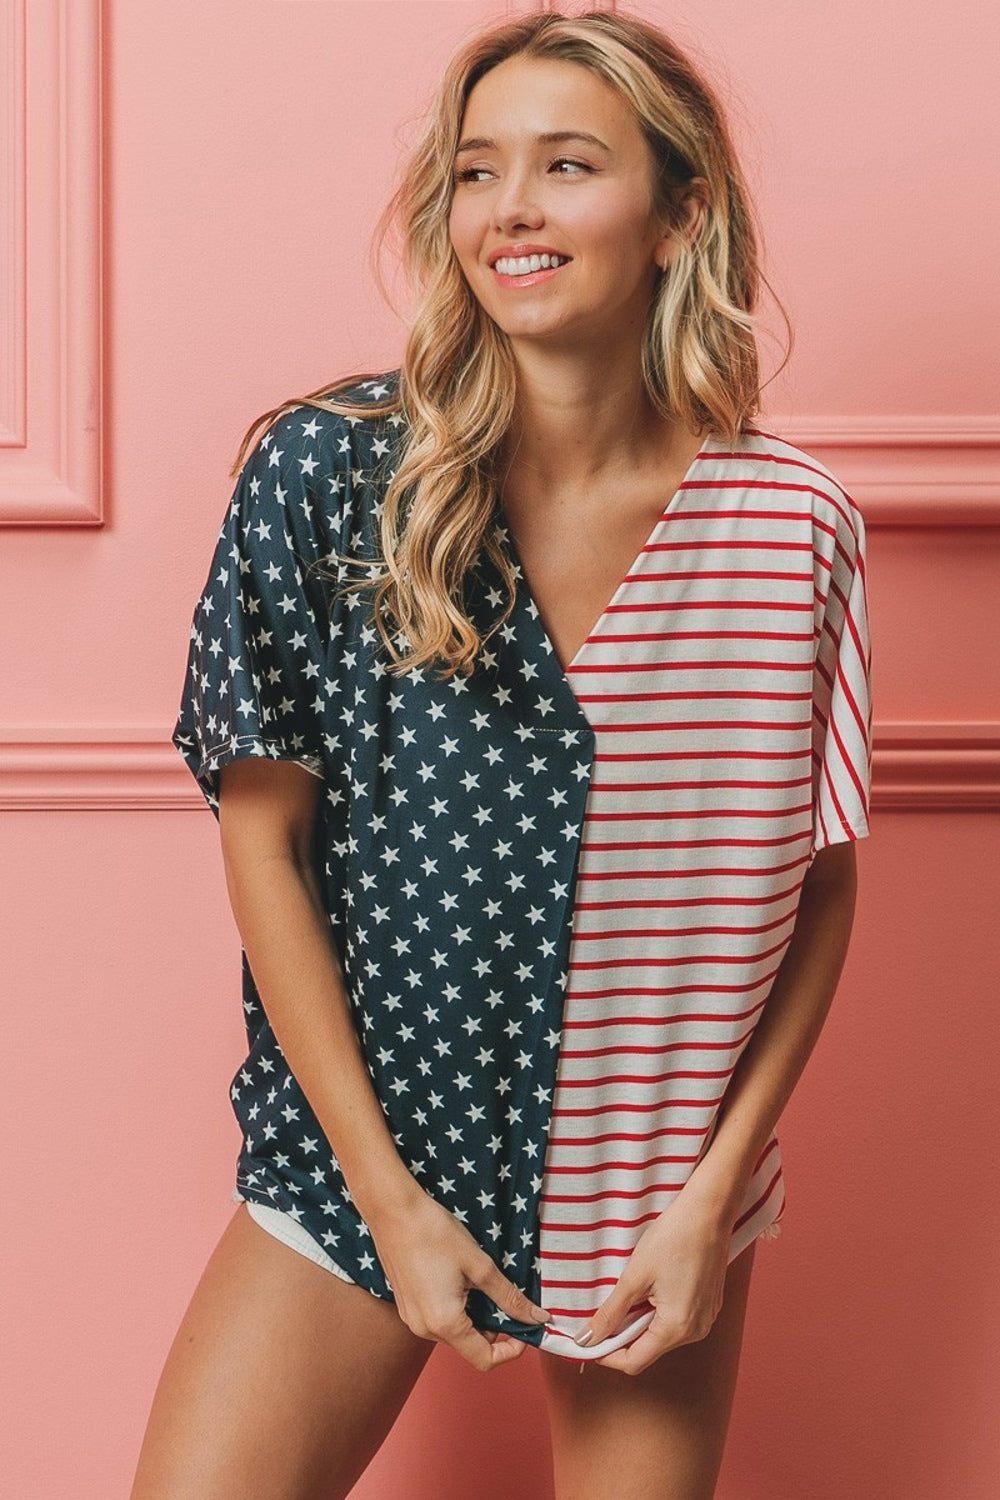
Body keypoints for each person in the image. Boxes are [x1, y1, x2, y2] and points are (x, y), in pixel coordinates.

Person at [130, 8, 871, 1498]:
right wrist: (387, 1199)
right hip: (366, 1157)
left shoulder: (792, 531)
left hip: (652, 1198)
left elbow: (819, 889)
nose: (509, 211)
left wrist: (711, 1196)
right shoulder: (333, 473)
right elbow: (261, 835)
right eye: (476, 173)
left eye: (568, 165)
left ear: (683, 213)